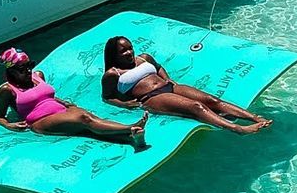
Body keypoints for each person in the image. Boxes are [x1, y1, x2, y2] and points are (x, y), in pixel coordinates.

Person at [101, 35, 270, 133]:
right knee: (196, 107)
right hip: (151, 97)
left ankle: (254, 117)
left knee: (213, 101)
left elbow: (158, 67)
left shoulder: (144, 57)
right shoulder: (112, 74)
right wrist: (124, 104)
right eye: (123, 51)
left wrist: (168, 79)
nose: (129, 52)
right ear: (114, 55)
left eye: (130, 48)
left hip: (170, 86)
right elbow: (107, 97)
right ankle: (239, 129)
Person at [0, 49, 149, 147]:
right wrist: (9, 125)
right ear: (12, 71)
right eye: (23, 68)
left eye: (30, 65)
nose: (29, 70)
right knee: (85, 120)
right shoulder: (7, 90)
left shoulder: (38, 76)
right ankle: (131, 127)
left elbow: (47, 96)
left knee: (90, 121)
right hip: (39, 121)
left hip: (61, 110)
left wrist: (63, 103)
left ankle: (131, 137)